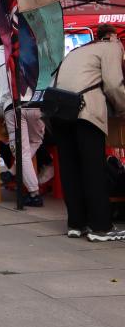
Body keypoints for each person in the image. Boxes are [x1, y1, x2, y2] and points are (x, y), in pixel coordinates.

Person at [50, 25, 125, 241]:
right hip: (85, 111)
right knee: (93, 170)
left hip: (59, 111)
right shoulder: (111, 47)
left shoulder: (78, 50)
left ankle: (76, 223)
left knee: (70, 169)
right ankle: (100, 227)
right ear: (113, 37)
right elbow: (114, 85)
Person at [0, 34, 45, 206]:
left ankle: (34, 193)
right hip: (35, 103)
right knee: (36, 141)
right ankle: (12, 172)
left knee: (21, 151)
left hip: (12, 106)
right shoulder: (30, 50)